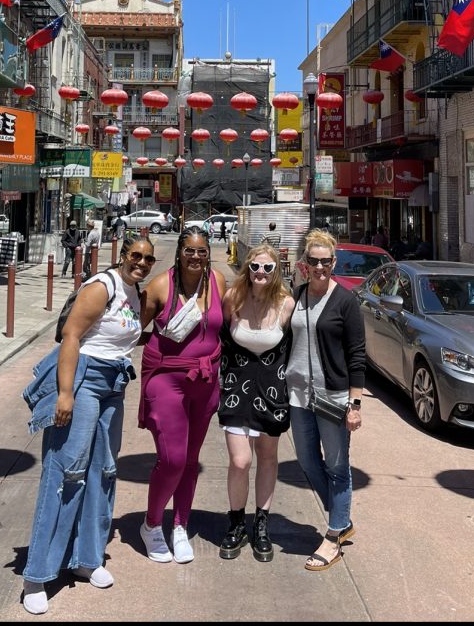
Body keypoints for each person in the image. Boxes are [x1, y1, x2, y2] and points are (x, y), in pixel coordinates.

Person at [21, 235, 156, 615]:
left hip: (115, 383)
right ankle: (37, 574)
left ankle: (87, 558)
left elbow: (124, 337)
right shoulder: (102, 286)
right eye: (135, 255)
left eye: (148, 259)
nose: (141, 263)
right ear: (123, 255)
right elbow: (71, 335)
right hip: (84, 380)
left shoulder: (135, 292)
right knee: (67, 471)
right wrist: (65, 394)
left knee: (104, 471)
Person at [138, 226, 226, 564]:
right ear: (179, 252)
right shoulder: (161, 286)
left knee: (190, 459)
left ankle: (180, 524)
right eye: (189, 250)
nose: (196, 256)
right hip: (167, 381)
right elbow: (134, 328)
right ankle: (151, 524)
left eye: (202, 251)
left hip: (205, 380)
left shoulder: (217, 282)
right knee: (172, 459)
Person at [286, 228, 365, 572]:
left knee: (336, 466)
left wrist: (355, 405)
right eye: (313, 261)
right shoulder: (296, 295)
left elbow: (357, 355)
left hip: (333, 397)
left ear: (334, 262)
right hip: (298, 395)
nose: (319, 267)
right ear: (304, 263)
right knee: (307, 461)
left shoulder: (346, 301)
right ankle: (342, 519)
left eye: (325, 261)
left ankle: (333, 537)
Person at [218, 244, 294, 562]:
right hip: (237, 389)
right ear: (247, 268)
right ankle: (236, 522)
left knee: (267, 458)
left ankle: (261, 525)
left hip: (272, 392)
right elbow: (220, 338)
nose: (260, 273)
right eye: (255, 267)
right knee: (240, 461)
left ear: (276, 271)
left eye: (267, 268)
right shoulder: (232, 299)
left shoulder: (287, 304)